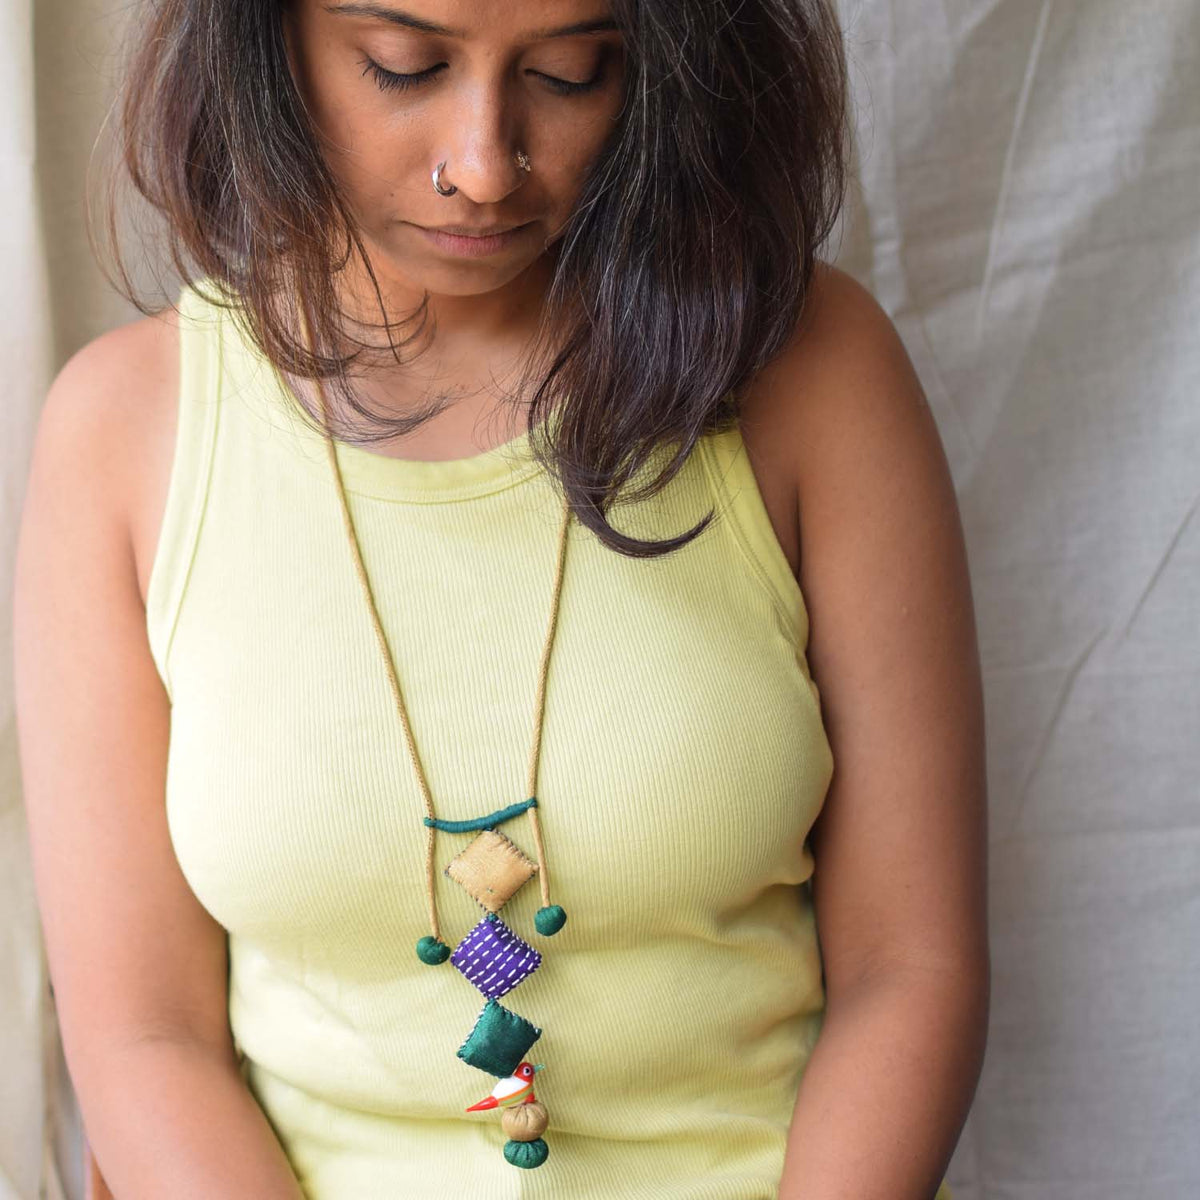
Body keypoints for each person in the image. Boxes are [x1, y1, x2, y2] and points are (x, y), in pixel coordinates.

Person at [13, 1, 989, 1196]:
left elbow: (909, 967)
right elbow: (142, 1036)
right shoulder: (125, 430)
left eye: (571, 74)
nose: (483, 166)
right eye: (404, 66)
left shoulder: (812, 373)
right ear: (269, 42)